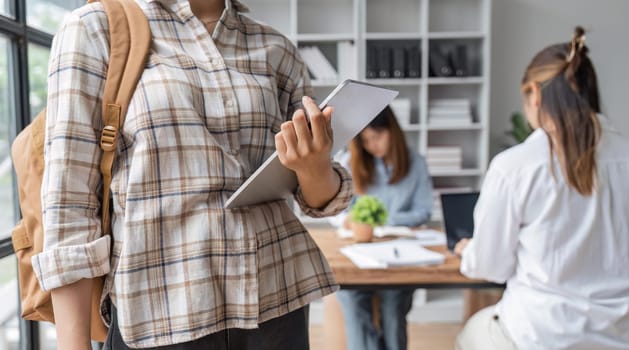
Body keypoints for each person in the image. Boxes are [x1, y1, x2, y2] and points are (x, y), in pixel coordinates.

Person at [32, 0, 353, 349]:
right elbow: (69, 202)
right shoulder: (97, 29)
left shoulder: (275, 47)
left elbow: (322, 200)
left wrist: (314, 167)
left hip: (279, 306)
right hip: (160, 317)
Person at [454, 27, 629, 349]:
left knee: (471, 333)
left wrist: (468, 252)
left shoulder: (514, 166)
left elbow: (490, 267)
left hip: (542, 336)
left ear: (535, 93)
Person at [333, 106, 434, 350]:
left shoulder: (415, 163)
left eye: (377, 137)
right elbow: (338, 211)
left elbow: (424, 211)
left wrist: (384, 220)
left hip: (398, 251)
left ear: (392, 132)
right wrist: (348, 220)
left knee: (394, 303)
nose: (372, 145)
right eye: (366, 141)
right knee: (352, 296)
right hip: (359, 250)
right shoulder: (350, 162)